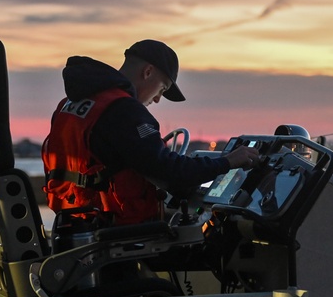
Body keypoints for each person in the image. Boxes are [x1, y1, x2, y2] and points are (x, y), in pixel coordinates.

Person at [42, 39, 259, 244]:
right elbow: (168, 170)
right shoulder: (123, 110)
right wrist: (228, 162)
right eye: (162, 89)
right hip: (112, 237)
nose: (157, 99)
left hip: (70, 228)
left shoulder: (69, 104)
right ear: (148, 72)